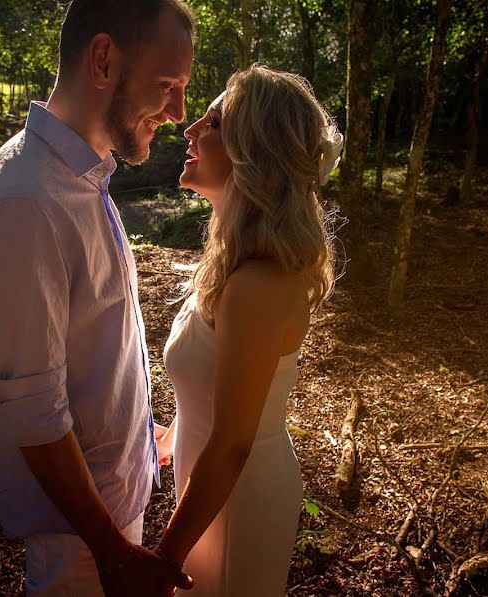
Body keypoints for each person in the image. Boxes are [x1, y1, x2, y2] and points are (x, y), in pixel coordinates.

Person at [0, 1, 196, 595]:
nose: (177, 112)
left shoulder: (85, 180)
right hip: (82, 548)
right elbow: (34, 410)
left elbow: (93, 349)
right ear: (102, 60)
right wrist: (112, 553)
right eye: (166, 86)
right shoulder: (25, 202)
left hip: (110, 517)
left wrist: (144, 431)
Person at [155, 65, 342, 596]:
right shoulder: (235, 263)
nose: (189, 130)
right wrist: (174, 428)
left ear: (250, 150)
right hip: (209, 479)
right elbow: (219, 386)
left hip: (240, 493)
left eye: (210, 122)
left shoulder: (259, 283)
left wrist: (165, 559)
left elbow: (234, 442)